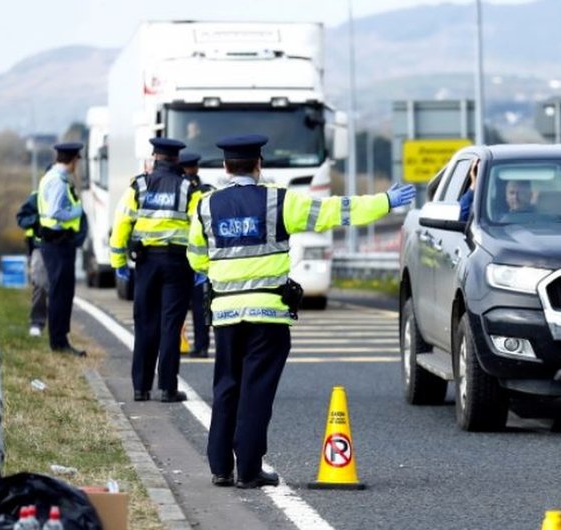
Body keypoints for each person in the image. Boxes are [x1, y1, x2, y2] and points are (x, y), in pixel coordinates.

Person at [187, 134, 416, 489]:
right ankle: (248, 469)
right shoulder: (280, 202)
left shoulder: (205, 206)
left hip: (225, 316)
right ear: (258, 165)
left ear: (225, 167)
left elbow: (196, 257)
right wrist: (385, 201)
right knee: (256, 391)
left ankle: (220, 467)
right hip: (267, 315)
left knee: (227, 386)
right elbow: (333, 212)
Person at [110, 138, 202, 402]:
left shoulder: (138, 186)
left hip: (146, 264)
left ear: (154, 158)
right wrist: (200, 265)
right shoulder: (188, 188)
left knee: (145, 324)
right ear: (177, 160)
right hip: (177, 264)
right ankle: (167, 388)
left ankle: (141, 388)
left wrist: (118, 263)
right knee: (171, 326)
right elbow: (199, 231)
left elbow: (121, 225)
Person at [36, 143, 87, 356]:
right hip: (57, 243)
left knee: (63, 291)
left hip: (58, 242)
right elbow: (56, 211)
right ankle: (58, 342)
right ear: (73, 160)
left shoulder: (55, 177)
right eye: (77, 160)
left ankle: (60, 339)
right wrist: (76, 212)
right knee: (60, 293)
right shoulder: (57, 180)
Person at [179, 151, 213, 358]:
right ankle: (201, 346)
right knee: (201, 306)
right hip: (201, 258)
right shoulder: (207, 191)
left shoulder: (179, 191)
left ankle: (177, 342)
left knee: (176, 304)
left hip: (179, 256)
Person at [16, 189, 48, 337]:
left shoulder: (68, 193)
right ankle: (37, 322)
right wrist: (37, 221)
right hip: (39, 247)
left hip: (62, 248)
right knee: (40, 284)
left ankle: (59, 330)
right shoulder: (37, 196)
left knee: (59, 289)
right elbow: (21, 218)